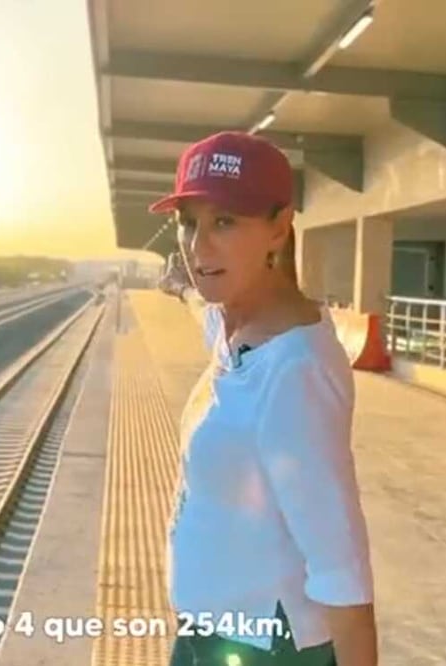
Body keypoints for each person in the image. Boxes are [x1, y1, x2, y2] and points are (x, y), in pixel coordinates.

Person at [150, 132, 378, 666]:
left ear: (279, 227)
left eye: (225, 222)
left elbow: (341, 569)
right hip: (213, 633)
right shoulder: (240, 327)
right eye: (190, 223)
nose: (199, 246)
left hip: (262, 651)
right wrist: (180, 287)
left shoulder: (293, 373)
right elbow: (206, 319)